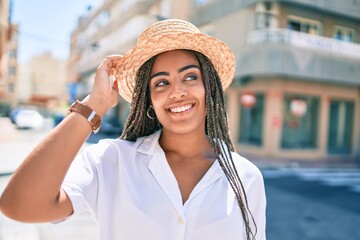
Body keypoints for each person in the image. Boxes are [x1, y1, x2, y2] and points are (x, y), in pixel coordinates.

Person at [0, 19, 266, 240]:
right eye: (161, 83)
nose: (177, 92)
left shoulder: (246, 177)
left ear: (210, 88)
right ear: (148, 100)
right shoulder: (112, 160)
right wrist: (95, 104)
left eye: (190, 77)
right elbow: (20, 205)